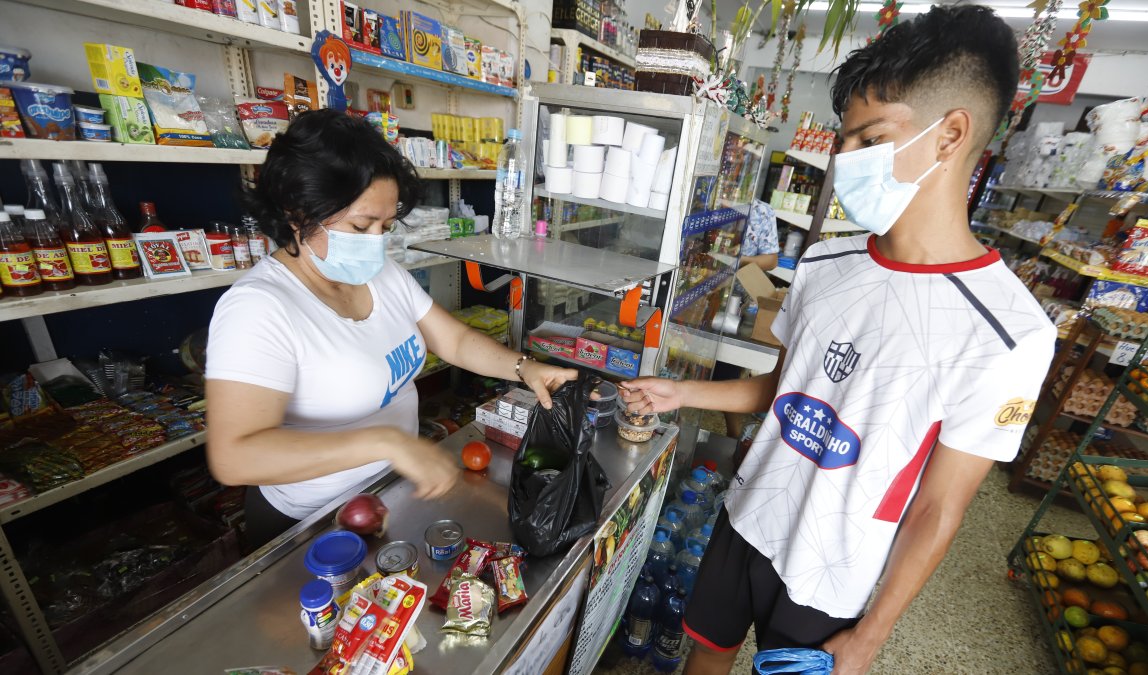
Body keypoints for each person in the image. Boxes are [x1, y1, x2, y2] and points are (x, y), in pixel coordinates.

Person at [620, 7, 1055, 674]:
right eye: (842, 138)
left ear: (951, 134)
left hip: (835, 569)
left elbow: (941, 507)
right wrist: (681, 391)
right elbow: (783, 388)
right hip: (747, 517)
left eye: (868, 137)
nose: (840, 159)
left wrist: (869, 636)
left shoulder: (1007, 332)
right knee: (700, 658)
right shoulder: (825, 264)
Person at [205, 109, 576, 549]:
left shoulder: (382, 275)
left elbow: (452, 340)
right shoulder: (258, 309)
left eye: (385, 226)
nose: (376, 241)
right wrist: (385, 442)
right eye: (361, 226)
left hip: (391, 493)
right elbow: (234, 456)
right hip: (312, 524)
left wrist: (523, 367)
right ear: (296, 211)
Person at [712, 198, 780, 439]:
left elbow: (771, 260)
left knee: (725, 372)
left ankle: (734, 436)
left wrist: (739, 260)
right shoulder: (704, 199)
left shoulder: (761, 211)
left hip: (733, 305)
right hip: (695, 297)